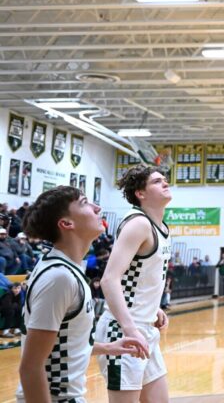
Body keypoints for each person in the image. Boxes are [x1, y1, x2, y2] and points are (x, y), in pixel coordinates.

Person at [17, 186, 144, 402]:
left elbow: (59, 343)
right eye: (85, 203)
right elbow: (30, 368)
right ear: (67, 223)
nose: (97, 207)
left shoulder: (67, 270)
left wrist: (107, 348)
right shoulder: (59, 278)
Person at [95, 165, 172, 402]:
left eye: (165, 180)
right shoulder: (138, 224)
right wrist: (129, 328)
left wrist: (153, 307)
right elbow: (110, 279)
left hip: (145, 327)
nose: (165, 183)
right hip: (124, 330)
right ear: (141, 193)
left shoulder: (159, 226)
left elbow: (138, 276)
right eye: (158, 181)